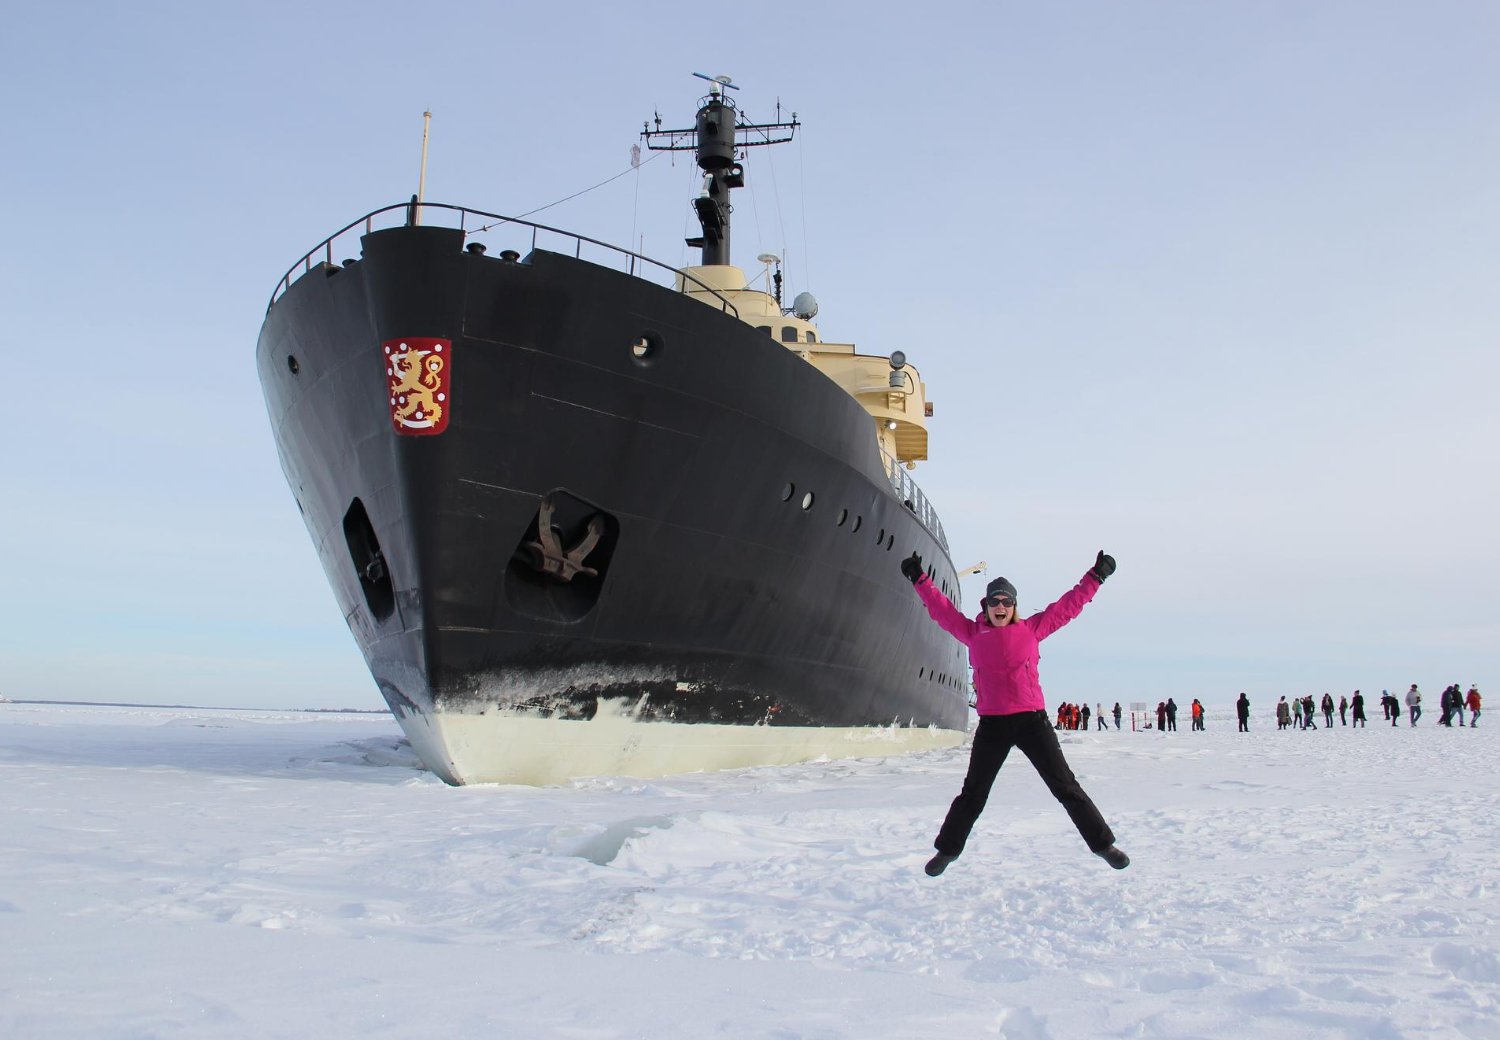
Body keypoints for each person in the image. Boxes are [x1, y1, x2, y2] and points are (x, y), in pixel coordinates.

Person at [902, 549, 1129, 875]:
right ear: (986, 606)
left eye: (1006, 602)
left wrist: (1096, 577)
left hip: (1031, 722)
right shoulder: (972, 633)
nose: (1000, 607)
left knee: (1066, 787)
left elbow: (1068, 606)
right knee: (973, 794)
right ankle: (947, 851)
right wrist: (919, 578)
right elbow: (941, 610)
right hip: (993, 725)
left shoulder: (1033, 629)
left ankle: (1103, 845)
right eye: (994, 602)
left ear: (1014, 606)